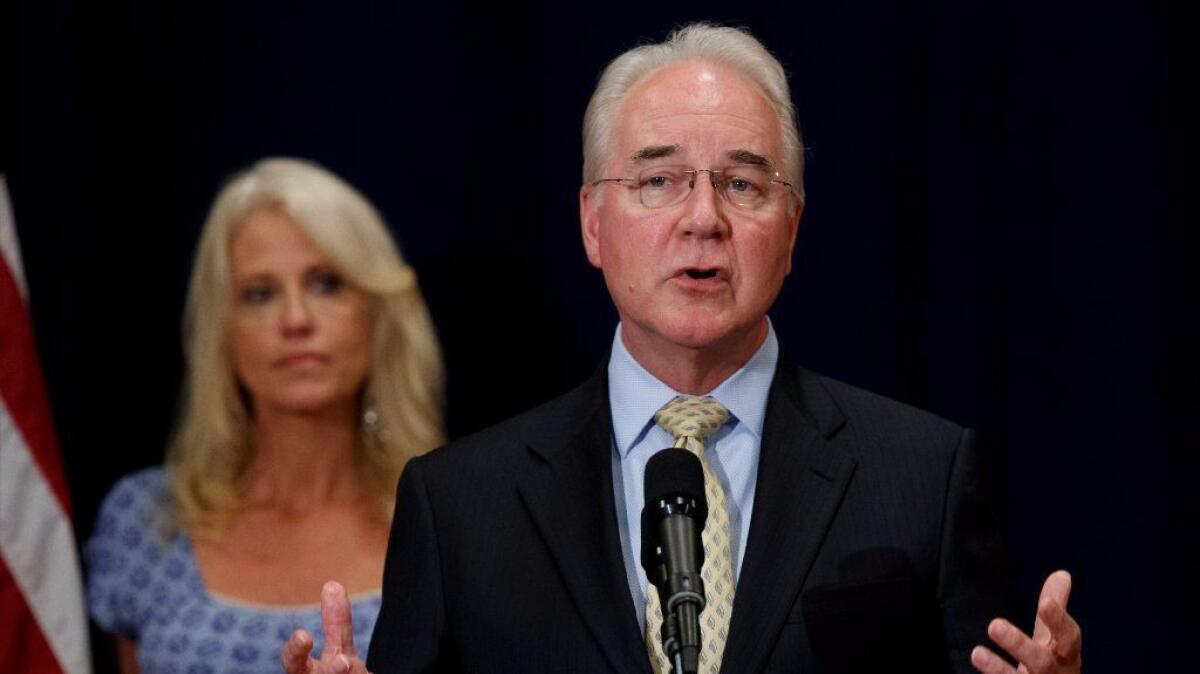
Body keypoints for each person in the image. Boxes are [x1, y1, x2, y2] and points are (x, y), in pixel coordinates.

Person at [282, 24, 1082, 674]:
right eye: (658, 181)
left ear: (793, 227)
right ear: (593, 222)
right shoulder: (459, 507)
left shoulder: (923, 479)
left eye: (742, 184)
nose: (704, 219)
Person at [86, 157, 445, 673]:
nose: (296, 320)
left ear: (378, 314)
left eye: (325, 284)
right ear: (223, 330)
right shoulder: (146, 522)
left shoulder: (454, 524)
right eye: (260, 293)